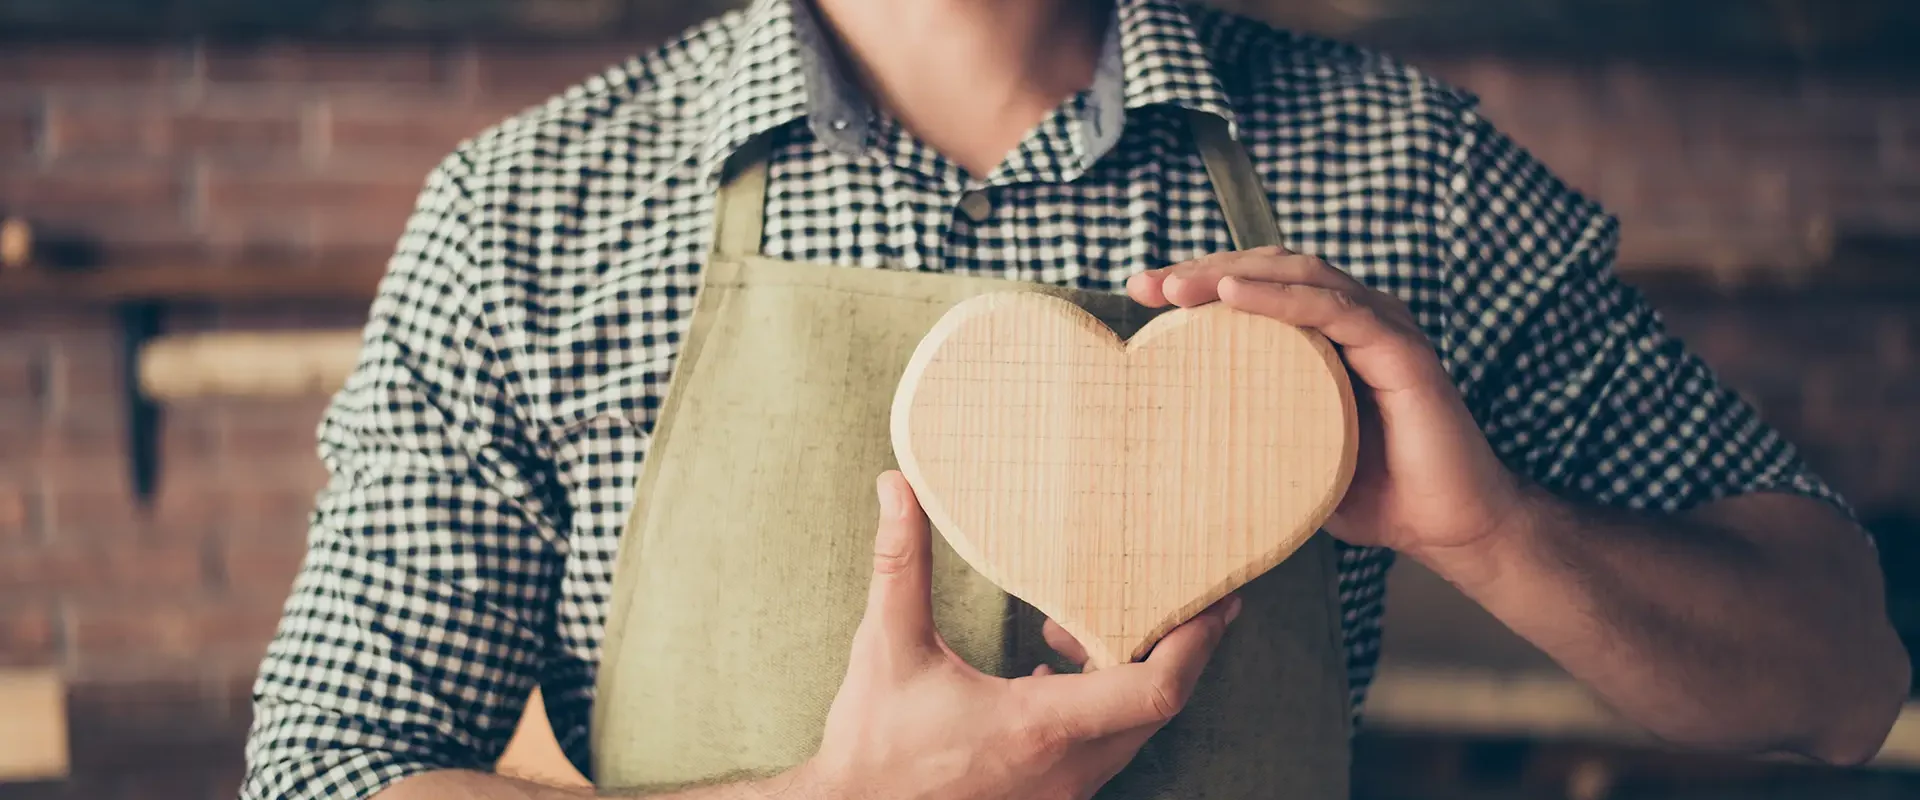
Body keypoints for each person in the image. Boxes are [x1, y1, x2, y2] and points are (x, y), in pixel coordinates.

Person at [241, 0, 1911, 798]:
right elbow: (324, 766)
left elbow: (1843, 680)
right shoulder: (530, 214)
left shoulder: (1404, 175)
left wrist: (1501, 532)